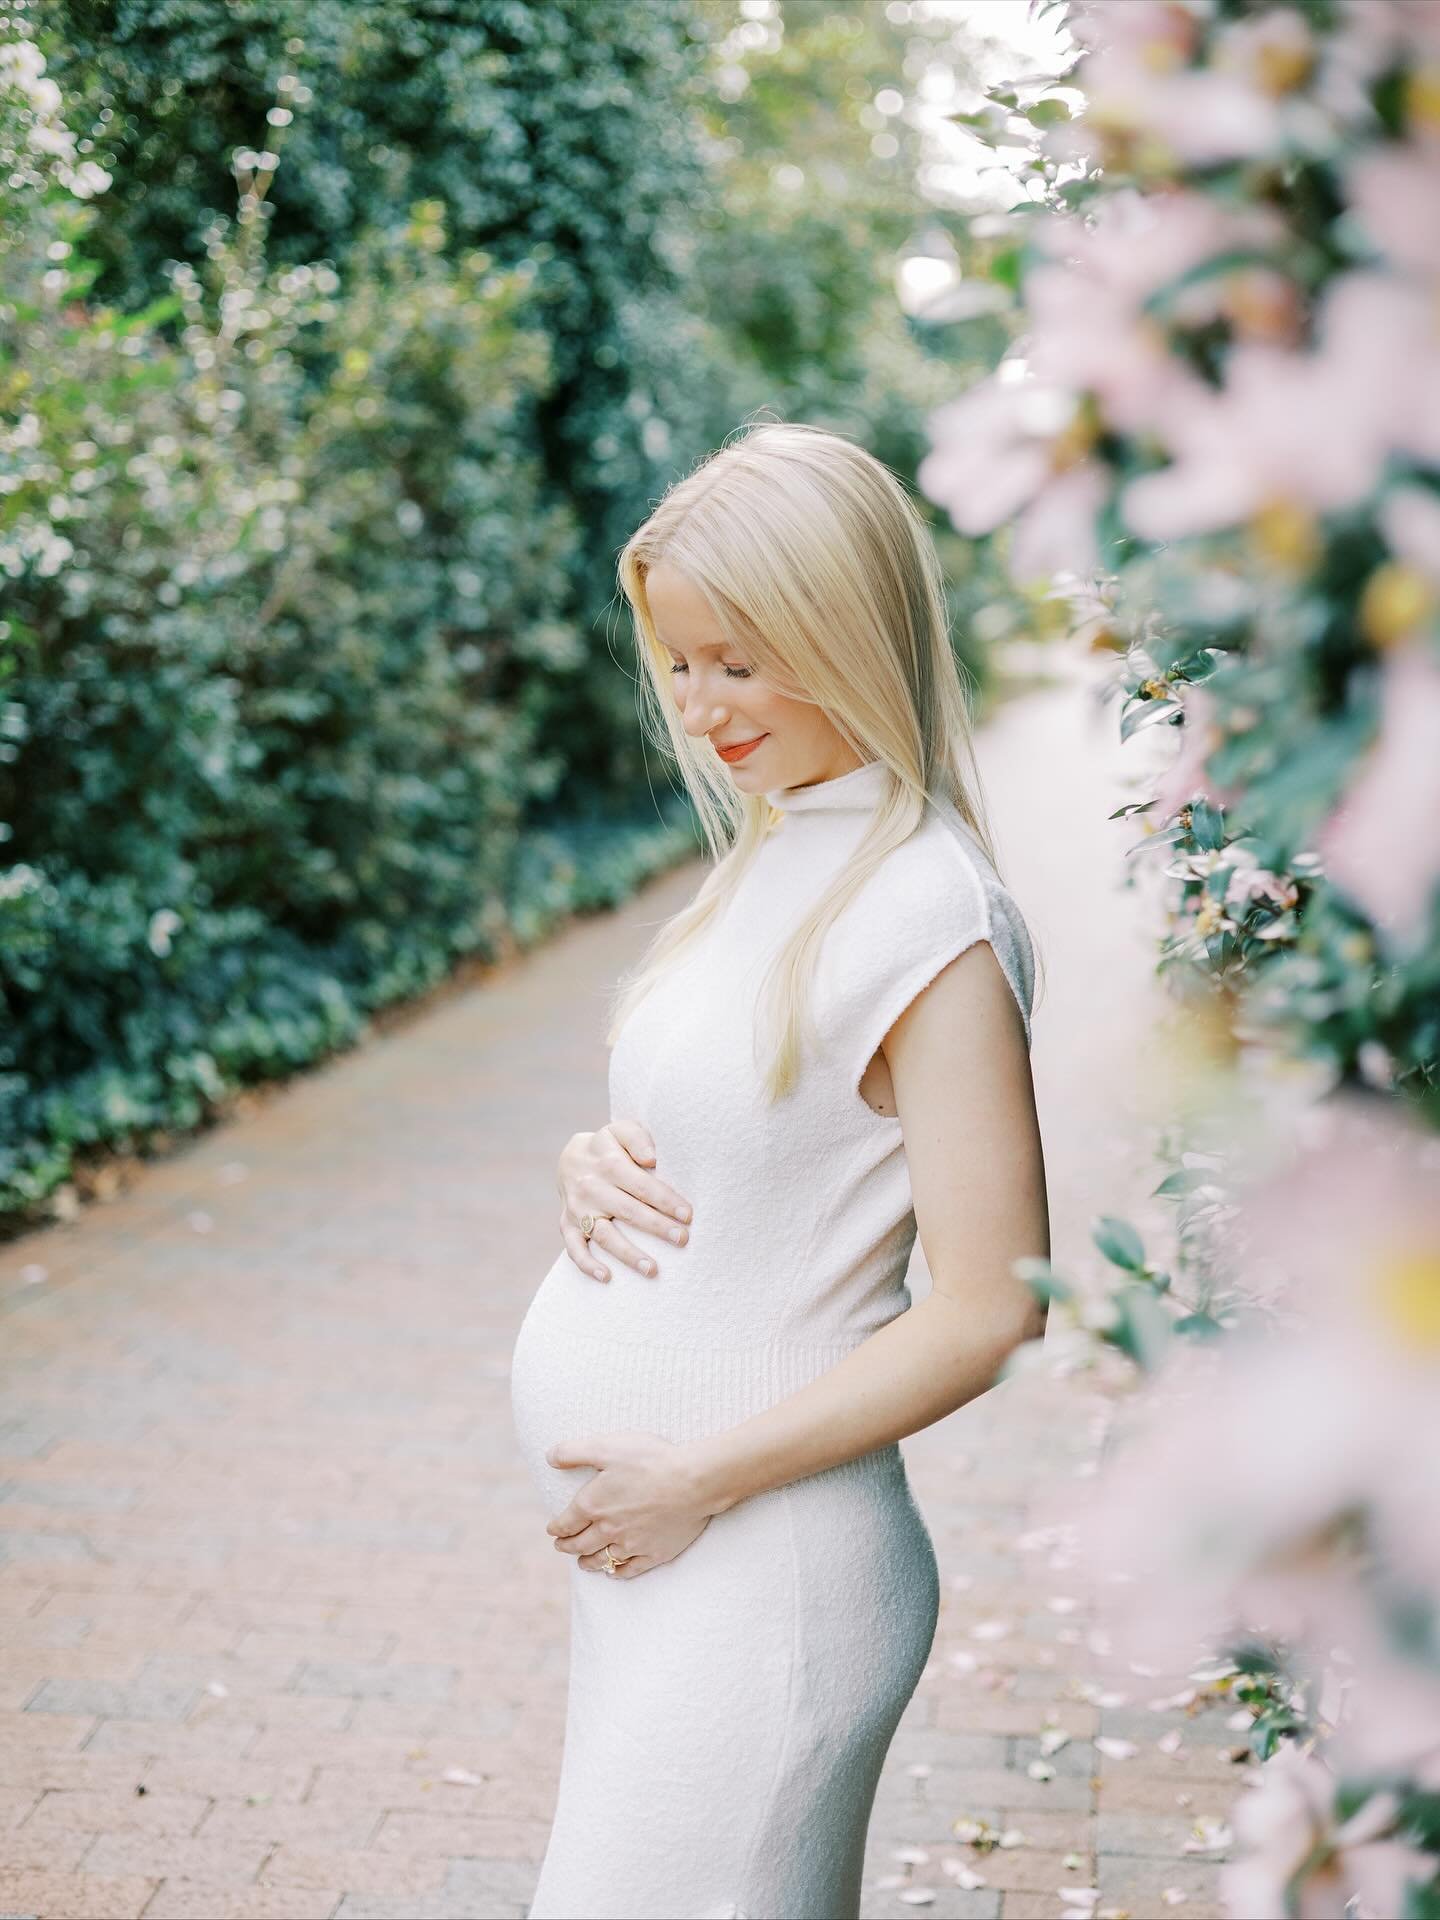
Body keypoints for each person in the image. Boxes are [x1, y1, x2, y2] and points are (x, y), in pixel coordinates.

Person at [509, 418, 1050, 1920]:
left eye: (739, 660)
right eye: (680, 662)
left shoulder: (927, 910)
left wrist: (695, 1476)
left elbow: (994, 1306)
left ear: (846, 630)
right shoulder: (778, 848)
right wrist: (587, 1163)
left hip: (766, 1582)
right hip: (670, 1571)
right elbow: (746, 1133)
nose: (698, 704)